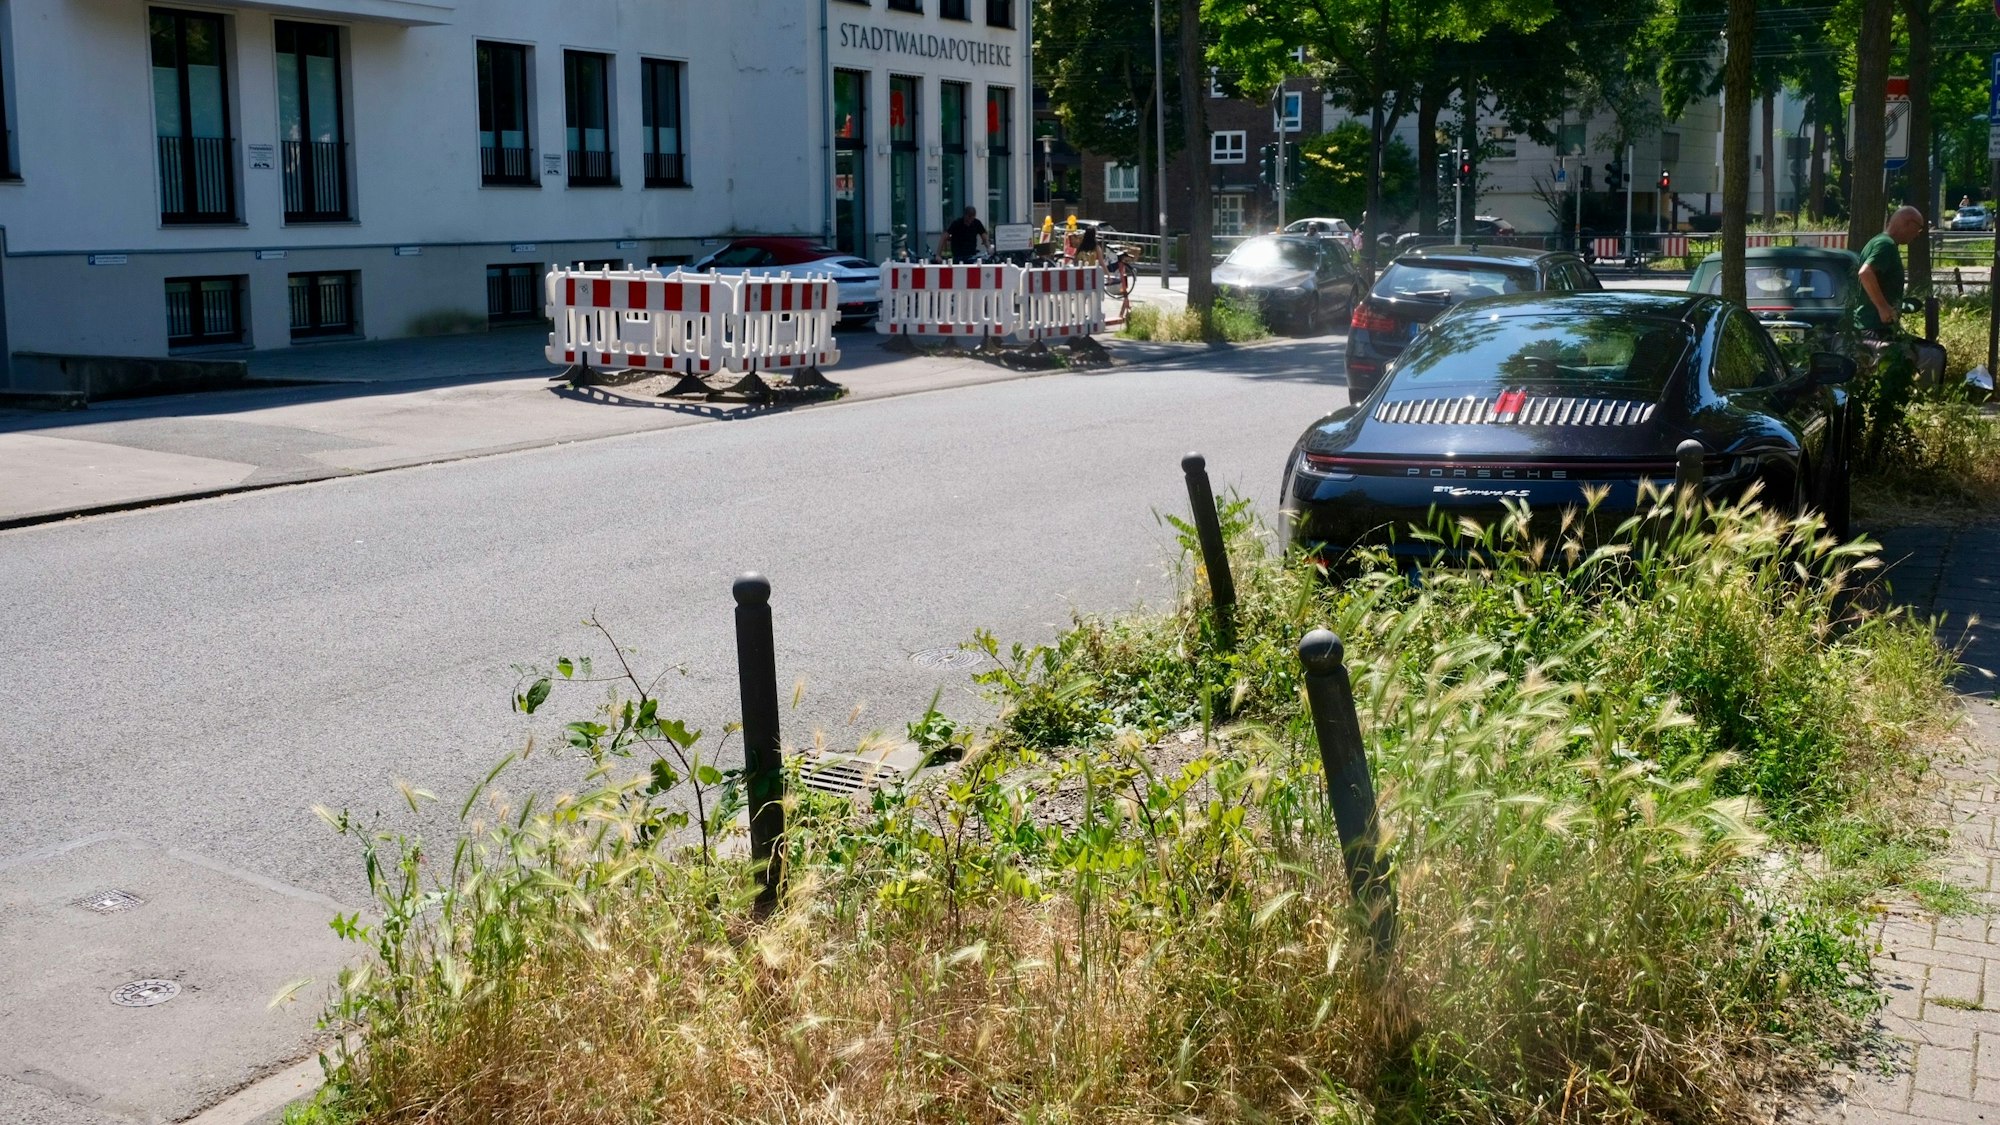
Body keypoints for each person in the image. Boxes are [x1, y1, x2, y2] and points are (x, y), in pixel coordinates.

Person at [1854, 206, 1929, 463]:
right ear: (1907, 223)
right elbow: (1865, 273)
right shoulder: (1885, 244)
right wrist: (1884, 308)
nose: (1917, 235)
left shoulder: (1882, 243)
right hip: (1873, 329)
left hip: (1872, 326)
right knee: (1894, 376)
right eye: (1917, 229)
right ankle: (1872, 447)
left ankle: (1866, 444)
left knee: (1867, 386)